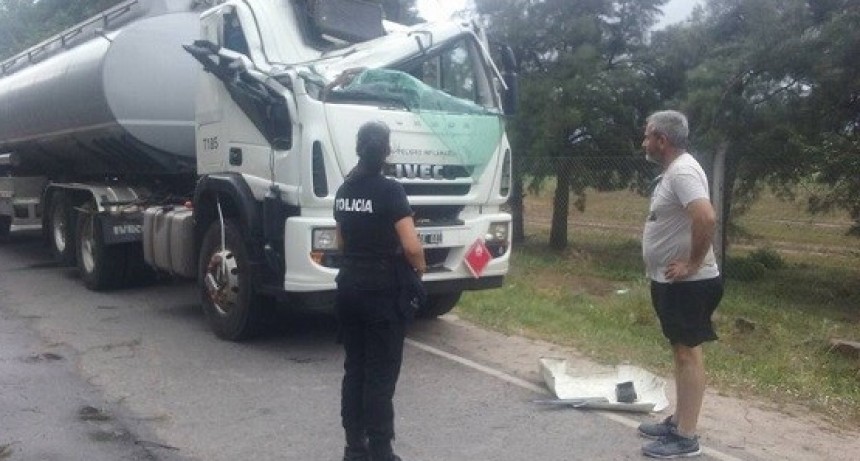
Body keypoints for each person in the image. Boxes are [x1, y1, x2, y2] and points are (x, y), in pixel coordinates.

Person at [334, 121, 426, 461]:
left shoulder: (345, 191)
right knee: (381, 374)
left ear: (359, 148)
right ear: (386, 151)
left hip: (348, 289)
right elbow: (412, 246)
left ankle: (354, 448)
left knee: (354, 368)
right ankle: (381, 449)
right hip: (382, 294)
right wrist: (419, 270)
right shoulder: (390, 191)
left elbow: (341, 240)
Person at [638, 110, 723, 458]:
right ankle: (679, 421)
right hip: (673, 282)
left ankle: (686, 438)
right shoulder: (675, 171)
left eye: (647, 136)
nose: (644, 142)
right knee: (681, 351)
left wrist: (692, 263)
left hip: (689, 283)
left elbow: (706, 216)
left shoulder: (684, 170)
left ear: (662, 140)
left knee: (688, 353)